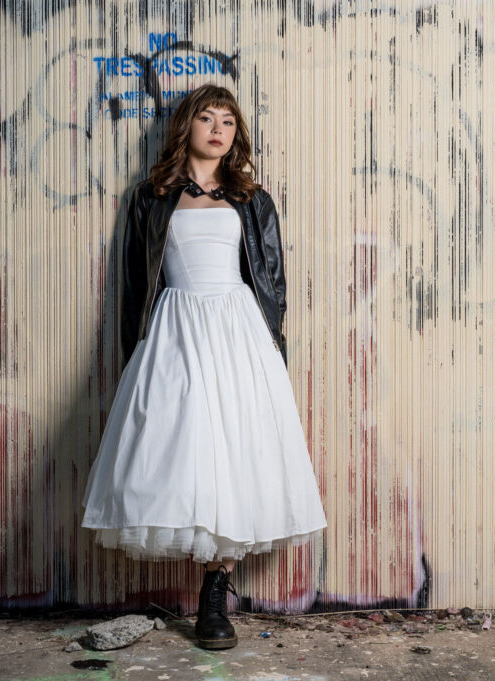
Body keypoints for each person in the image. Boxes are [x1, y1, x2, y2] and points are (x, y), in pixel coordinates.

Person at [80, 83, 327, 650]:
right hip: (175, 328)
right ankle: (208, 586)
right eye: (207, 118)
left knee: (238, 453)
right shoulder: (150, 197)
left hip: (238, 329)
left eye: (229, 122)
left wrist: (273, 350)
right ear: (186, 126)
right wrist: (135, 356)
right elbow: (135, 286)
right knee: (182, 449)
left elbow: (272, 283)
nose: (219, 129)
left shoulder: (251, 198)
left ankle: (214, 598)